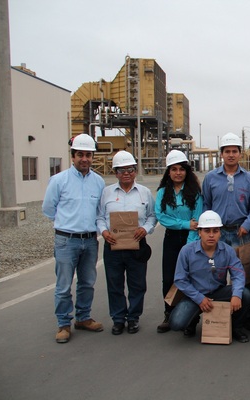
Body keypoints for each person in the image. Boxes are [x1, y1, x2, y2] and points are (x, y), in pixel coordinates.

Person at [42, 133, 105, 343]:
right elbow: (49, 209)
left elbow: (100, 212)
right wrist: (67, 225)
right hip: (66, 240)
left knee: (87, 282)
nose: (85, 159)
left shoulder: (98, 182)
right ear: (73, 156)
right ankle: (63, 324)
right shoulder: (59, 181)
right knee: (63, 285)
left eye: (88, 155)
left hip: (90, 240)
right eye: (80, 155)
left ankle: (83, 317)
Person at [97, 151, 157, 335]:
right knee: (114, 284)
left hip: (137, 245)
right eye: (121, 170)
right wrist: (104, 232)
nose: (126, 173)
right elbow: (99, 216)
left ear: (135, 171)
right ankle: (118, 319)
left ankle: (133, 318)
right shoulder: (106, 192)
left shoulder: (145, 193)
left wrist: (145, 229)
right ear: (115, 172)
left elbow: (152, 216)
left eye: (130, 169)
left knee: (137, 284)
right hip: (112, 246)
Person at [169, 210, 250, 343]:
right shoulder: (187, 251)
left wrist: (236, 294)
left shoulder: (227, 251)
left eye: (215, 231)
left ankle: (236, 327)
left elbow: (238, 274)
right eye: (207, 231)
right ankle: (192, 321)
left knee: (245, 294)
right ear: (199, 232)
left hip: (218, 291)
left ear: (220, 233)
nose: (211, 235)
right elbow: (180, 280)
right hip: (195, 294)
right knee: (176, 324)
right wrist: (199, 299)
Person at [154, 150, 203, 333]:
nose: (178, 173)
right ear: (169, 172)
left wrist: (190, 244)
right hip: (172, 239)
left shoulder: (195, 193)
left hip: (191, 240)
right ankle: (169, 313)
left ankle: (191, 319)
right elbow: (161, 217)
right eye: (173, 169)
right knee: (169, 278)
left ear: (187, 171)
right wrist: (184, 224)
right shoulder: (162, 192)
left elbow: (196, 220)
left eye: (181, 169)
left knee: (190, 278)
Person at [202, 132, 250, 246]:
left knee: (241, 263)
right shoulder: (210, 178)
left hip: (241, 233)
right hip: (217, 233)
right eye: (227, 151)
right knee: (217, 263)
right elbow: (206, 204)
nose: (231, 155)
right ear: (221, 154)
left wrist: (247, 225)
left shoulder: (249, 179)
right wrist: (209, 227)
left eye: (234, 151)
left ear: (240, 154)